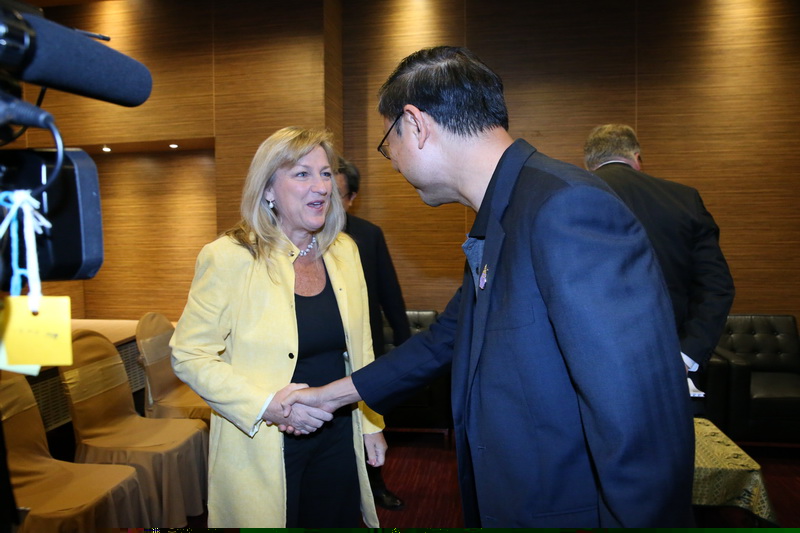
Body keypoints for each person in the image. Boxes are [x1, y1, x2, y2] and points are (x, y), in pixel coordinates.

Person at [281, 46, 695, 528]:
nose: (392, 161)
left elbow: (637, 413)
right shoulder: (502, 215)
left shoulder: (565, 207)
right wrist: (330, 396)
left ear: (415, 124)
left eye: (388, 141)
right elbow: (444, 340)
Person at [170, 127, 385, 528]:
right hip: (264, 440)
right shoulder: (229, 257)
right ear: (268, 189)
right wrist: (266, 404)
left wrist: (371, 424)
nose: (321, 186)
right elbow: (188, 355)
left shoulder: (344, 251)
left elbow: (362, 348)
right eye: (302, 174)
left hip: (339, 434)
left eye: (325, 173)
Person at [583, 124, 735, 403]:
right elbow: (716, 286)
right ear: (637, 157)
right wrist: (686, 356)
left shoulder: (567, 195)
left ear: (589, 162)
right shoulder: (684, 199)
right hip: (670, 363)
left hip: (586, 368)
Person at [335, 156, 411, 511]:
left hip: (365, 348)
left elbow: (389, 291)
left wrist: (405, 344)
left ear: (352, 198)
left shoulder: (368, 235)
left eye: (336, 194)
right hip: (322, 351)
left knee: (371, 418)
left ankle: (376, 484)